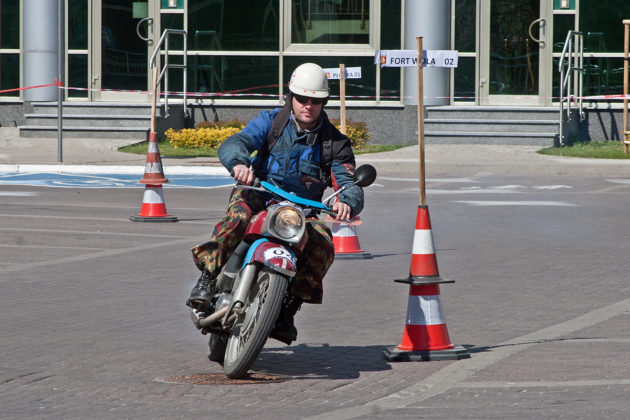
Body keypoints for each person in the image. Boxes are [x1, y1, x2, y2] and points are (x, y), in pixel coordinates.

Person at [186, 62, 365, 344]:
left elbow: (347, 180)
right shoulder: (271, 122)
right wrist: (239, 163)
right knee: (239, 216)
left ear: (323, 102)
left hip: (301, 211)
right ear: (291, 97)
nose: (308, 105)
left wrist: (347, 201)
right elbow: (238, 141)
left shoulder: (335, 143)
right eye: (302, 98)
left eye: (316, 100)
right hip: (260, 194)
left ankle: (287, 311)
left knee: (323, 243)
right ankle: (207, 279)